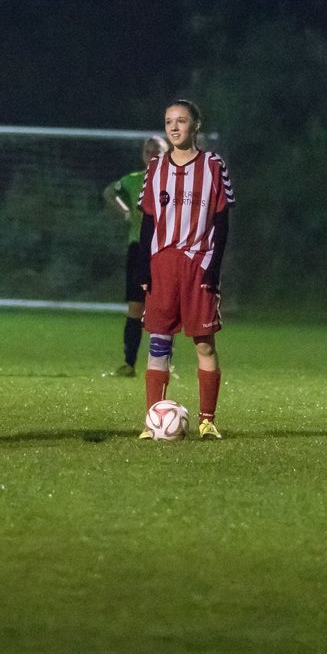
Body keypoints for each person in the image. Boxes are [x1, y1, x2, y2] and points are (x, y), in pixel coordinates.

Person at [136, 98, 234, 440]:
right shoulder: (155, 168)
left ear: (195, 126)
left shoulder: (213, 166)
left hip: (198, 263)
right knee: (158, 344)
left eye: (180, 121)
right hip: (162, 264)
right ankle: (152, 422)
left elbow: (222, 222)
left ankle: (207, 420)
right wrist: (143, 270)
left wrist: (214, 268)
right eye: (168, 122)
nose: (174, 128)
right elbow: (147, 222)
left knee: (204, 344)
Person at [101, 135, 169, 378]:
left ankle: (162, 365)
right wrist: (126, 212)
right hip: (139, 249)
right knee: (136, 307)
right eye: (148, 150)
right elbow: (110, 191)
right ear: (143, 154)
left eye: (157, 150)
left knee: (162, 309)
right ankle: (129, 364)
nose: (151, 153)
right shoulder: (132, 181)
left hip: (165, 251)